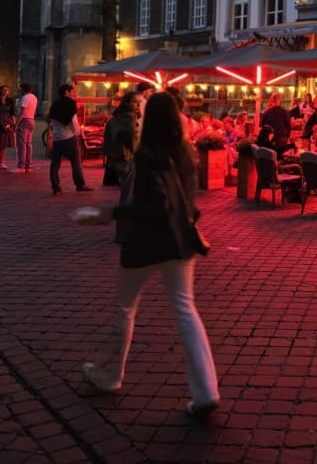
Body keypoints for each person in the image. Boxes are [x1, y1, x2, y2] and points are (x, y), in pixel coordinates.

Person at [80, 92, 219, 421]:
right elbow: (189, 203)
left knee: (126, 308)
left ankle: (110, 375)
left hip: (145, 243)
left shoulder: (147, 154)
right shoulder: (187, 152)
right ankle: (206, 391)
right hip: (180, 242)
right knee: (186, 311)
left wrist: (111, 213)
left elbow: (154, 205)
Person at [47, 83, 93, 195]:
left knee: (55, 164)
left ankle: (55, 186)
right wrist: (77, 132)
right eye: (72, 91)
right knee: (76, 163)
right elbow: (73, 121)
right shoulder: (70, 104)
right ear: (66, 92)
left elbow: (51, 120)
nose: (73, 93)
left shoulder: (55, 103)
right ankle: (80, 184)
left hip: (58, 138)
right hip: (69, 137)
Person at [104, 92, 138, 205]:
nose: (137, 105)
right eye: (134, 102)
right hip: (124, 155)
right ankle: (125, 211)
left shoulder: (115, 117)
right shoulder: (128, 118)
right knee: (128, 186)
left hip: (114, 155)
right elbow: (130, 138)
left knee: (126, 184)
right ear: (127, 103)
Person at [15, 82, 39, 173]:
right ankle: (28, 166)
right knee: (28, 144)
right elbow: (35, 111)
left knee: (22, 144)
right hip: (31, 120)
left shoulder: (25, 97)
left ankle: (21, 166)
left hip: (24, 120)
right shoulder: (34, 97)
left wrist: (16, 123)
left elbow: (22, 111)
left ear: (22, 89)